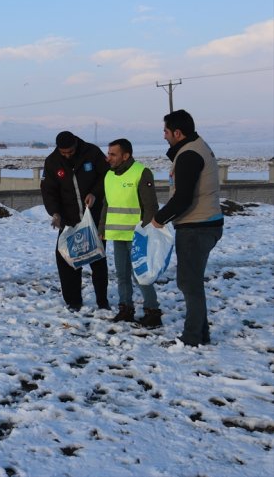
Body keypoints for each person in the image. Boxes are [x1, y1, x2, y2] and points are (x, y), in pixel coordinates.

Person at [151, 109, 223, 347]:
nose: (164, 136)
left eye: (166, 131)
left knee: (189, 283)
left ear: (177, 133)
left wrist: (159, 218)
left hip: (197, 227)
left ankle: (192, 337)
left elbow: (183, 198)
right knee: (191, 281)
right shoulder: (195, 147)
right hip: (203, 224)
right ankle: (201, 334)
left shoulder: (189, 154)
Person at [41, 131, 110, 311]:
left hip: (94, 218)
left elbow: (106, 176)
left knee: (98, 259)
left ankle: (102, 301)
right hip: (68, 220)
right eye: (63, 152)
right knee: (66, 259)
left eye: (70, 151)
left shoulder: (92, 152)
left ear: (76, 145)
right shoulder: (52, 161)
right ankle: (73, 301)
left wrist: (95, 193)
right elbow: (49, 190)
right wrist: (55, 213)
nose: (67, 155)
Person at [98, 139, 160, 325]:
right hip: (117, 235)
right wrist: (102, 228)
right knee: (122, 275)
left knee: (141, 275)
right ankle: (125, 308)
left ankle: (153, 311)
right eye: (108, 153)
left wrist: (147, 232)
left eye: (113, 154)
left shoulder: (141, 172)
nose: (108, 158)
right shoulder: (109, 176)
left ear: (126, 155)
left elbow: (151, 207)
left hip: (137, 236)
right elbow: (107, 205)